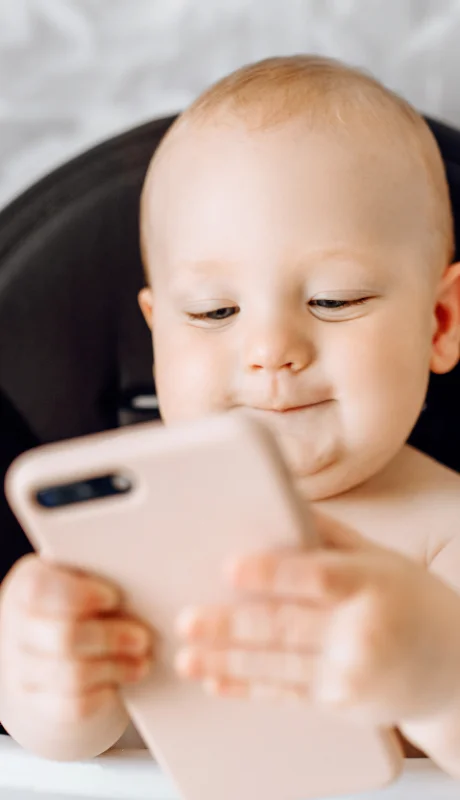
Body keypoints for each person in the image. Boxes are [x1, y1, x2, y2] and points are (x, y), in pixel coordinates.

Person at [1, 55, 460, 774]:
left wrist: (439, 681)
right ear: (158, 334)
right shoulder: (124, 530)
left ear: (438, 323)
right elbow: (69, 751)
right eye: (214, 311)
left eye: (333, 300)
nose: (271, 350)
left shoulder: (447, 533)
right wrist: (48, 684)